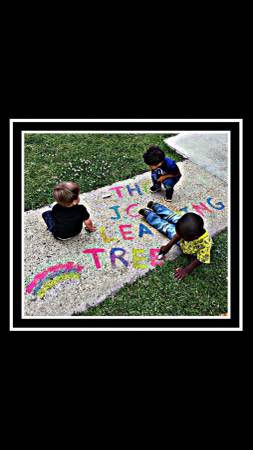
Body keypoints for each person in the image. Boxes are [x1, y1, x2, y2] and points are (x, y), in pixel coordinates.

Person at [139, 201, 212, 280]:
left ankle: (149, 215)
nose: (178, 235)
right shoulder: (187, 232)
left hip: (184, 240)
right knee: (172, 217)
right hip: (183, 228)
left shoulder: (205, 244)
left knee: (165, 227)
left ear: (194, 237)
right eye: (178, 233)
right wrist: (168, 246)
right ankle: (156, 207)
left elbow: (200, 259)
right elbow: (178, 235)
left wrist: (186, 270)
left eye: (181, 235)